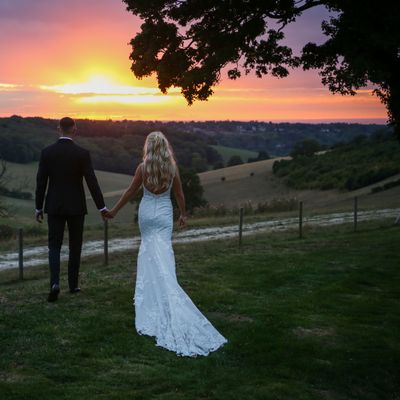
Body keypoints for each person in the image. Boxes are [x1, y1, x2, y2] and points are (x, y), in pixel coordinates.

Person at [107, 131, 227, 357]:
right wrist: (183, 214)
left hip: (146, 214)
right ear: (165, 147)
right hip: (163, 214)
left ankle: (152, 296)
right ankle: (167, 288)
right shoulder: (172, 168)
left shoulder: (143, 168)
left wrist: (113, 211)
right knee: (163, 252)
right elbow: (180, 194)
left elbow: (130, 192)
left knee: (149, 254)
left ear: (149, 147)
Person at [35, 117, 109, 302]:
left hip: (54, 206)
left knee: (54, 246)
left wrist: (38, 207)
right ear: (74, 129)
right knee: (75, 246)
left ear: (58, 128)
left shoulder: (47, 152)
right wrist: (102, 207)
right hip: (76, 206)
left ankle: (54, 283)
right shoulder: (82, 153)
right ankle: (73, 285)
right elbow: (92, 181)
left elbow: (41, 182)